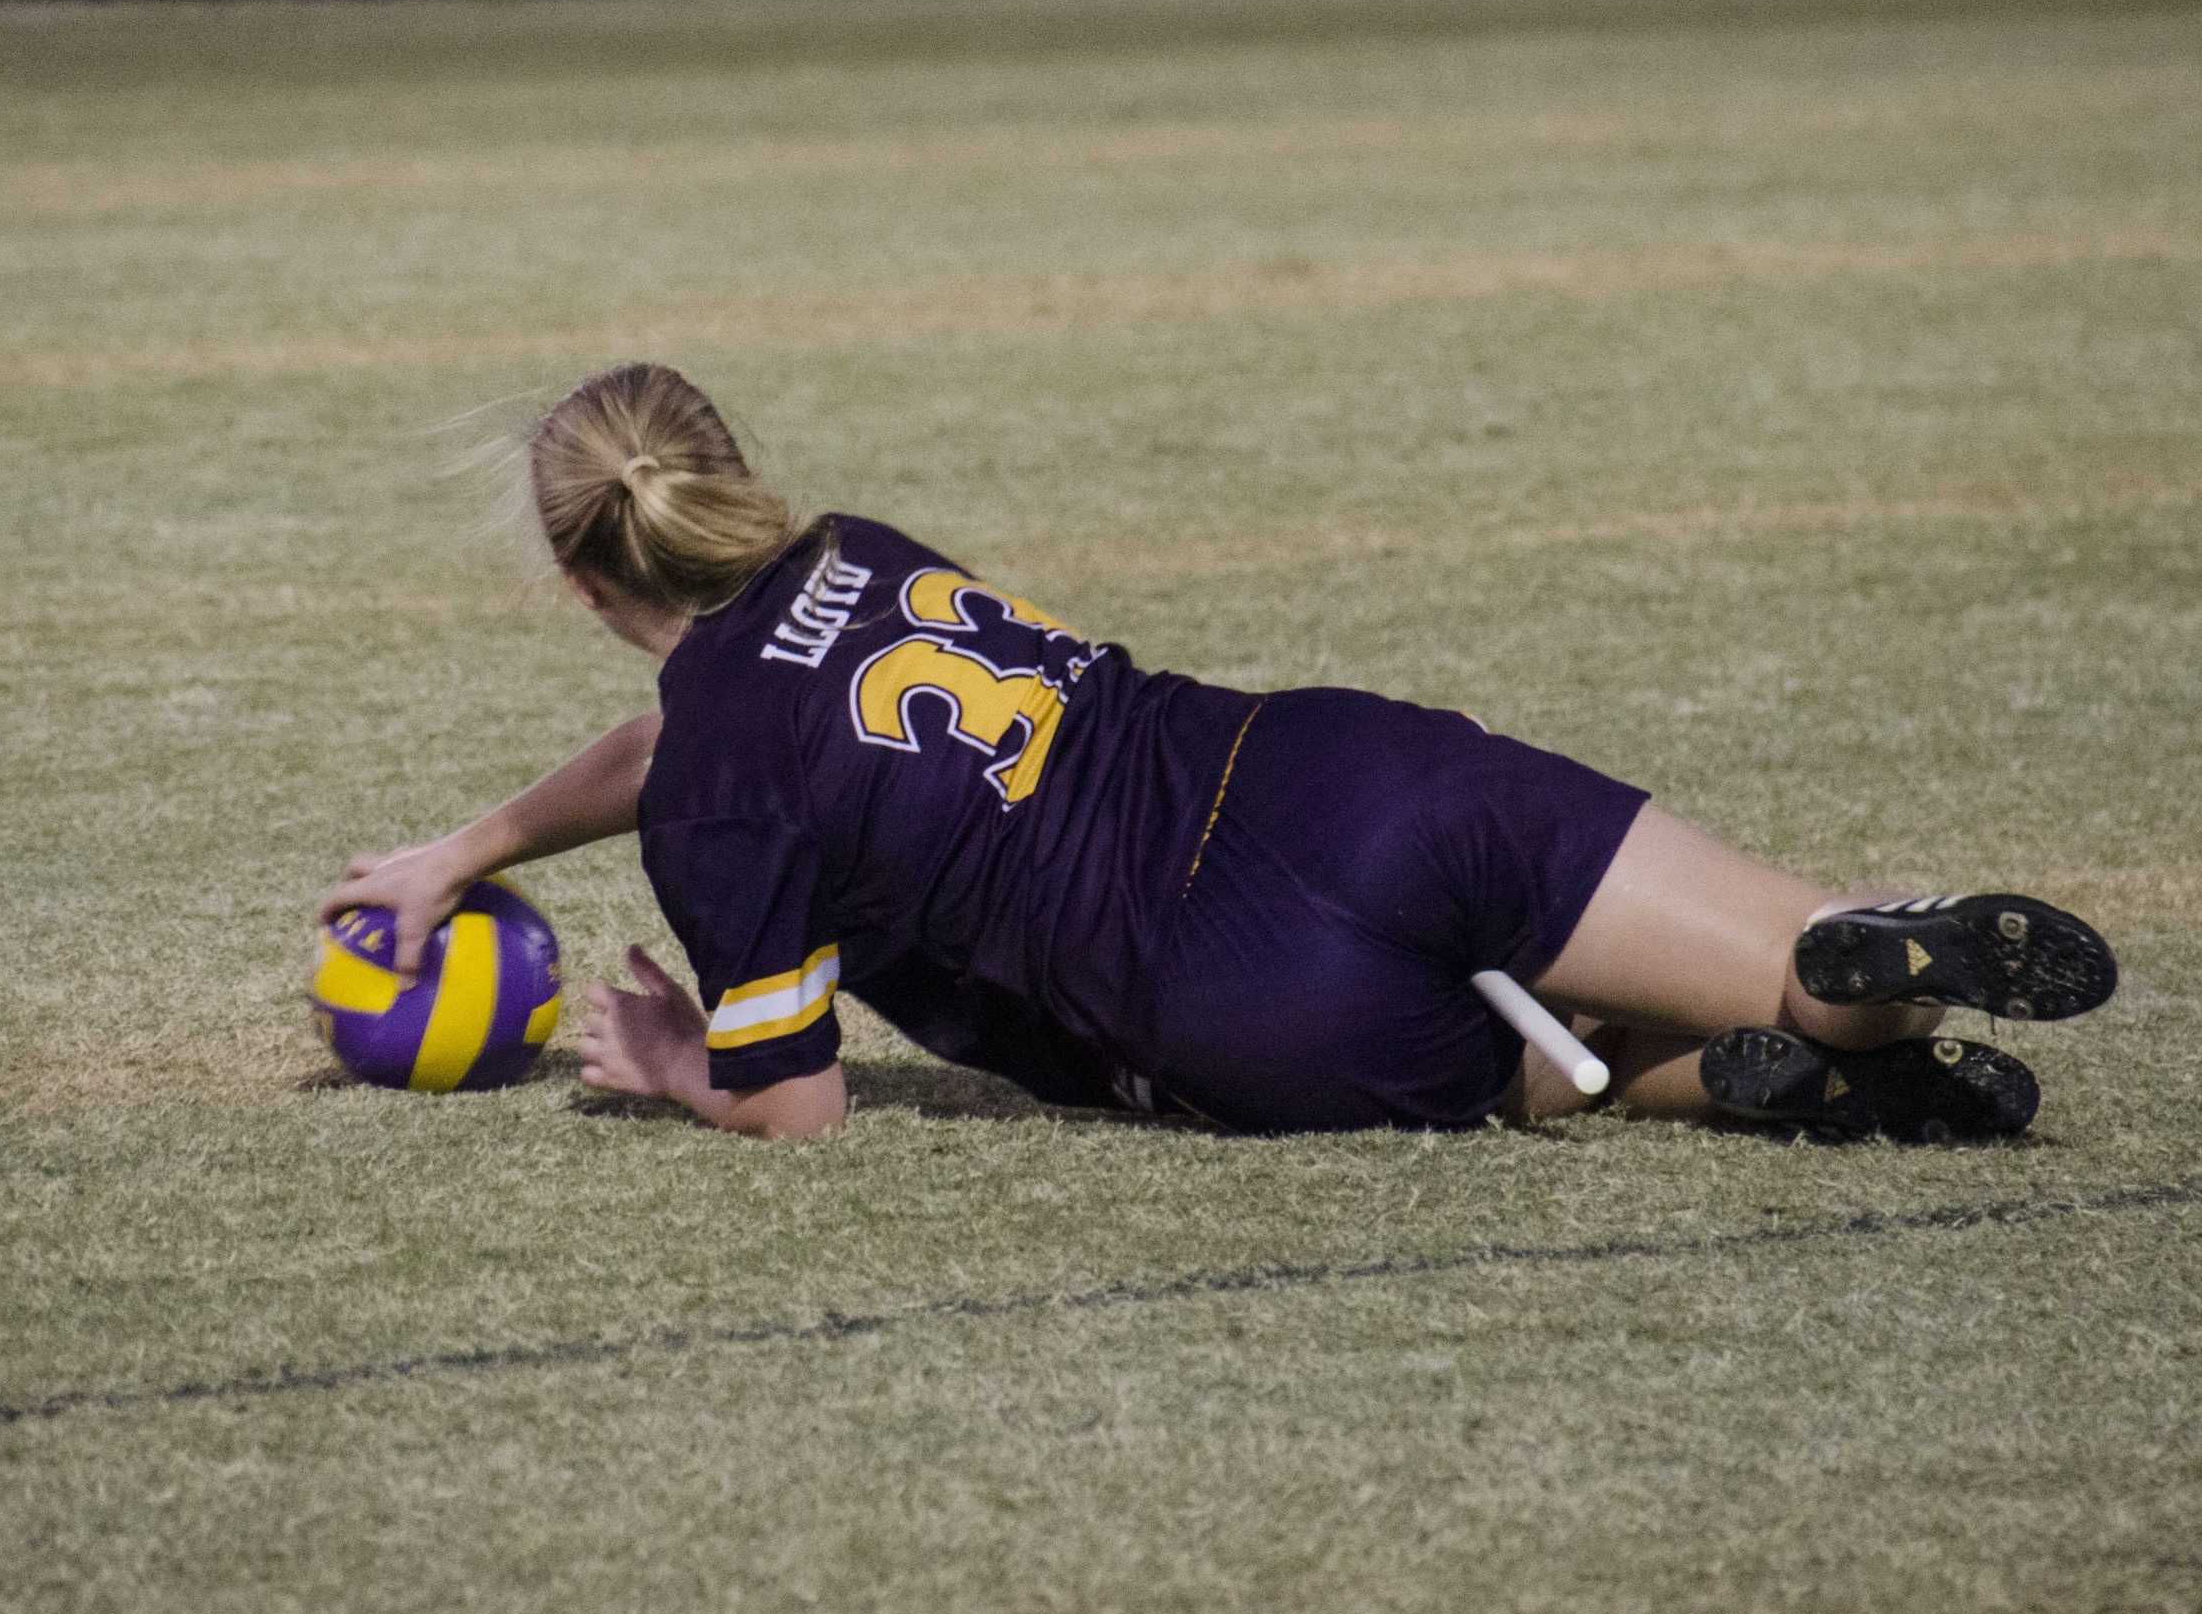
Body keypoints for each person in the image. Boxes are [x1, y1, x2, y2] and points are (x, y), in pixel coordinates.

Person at [318, 363, 2117, 1143]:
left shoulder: (720, 797)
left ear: (576, 575)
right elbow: (712, 713)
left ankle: (1704, 1086)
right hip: (1331, 777)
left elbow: (798, 1104)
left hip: (1234, 989)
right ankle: (1853, 987)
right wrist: (467, 849)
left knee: (1534, 1077)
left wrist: (675, 1070)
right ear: (723, 475)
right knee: (1798, 957)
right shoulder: (860, 550)